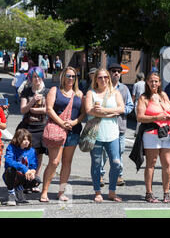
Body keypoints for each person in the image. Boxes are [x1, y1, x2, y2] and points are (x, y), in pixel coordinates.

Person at [39, 67, 85, 203]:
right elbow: (49, 109)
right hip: (57, 131)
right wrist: (62, 123)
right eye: (68, 76)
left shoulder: (79, 94)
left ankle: (61, 192)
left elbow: (83, 113)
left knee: (67, 163)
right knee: (54, 162)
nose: (71, 79)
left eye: (73, 76)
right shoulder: (55, 90)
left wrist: (74, 122)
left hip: (73, 131)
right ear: (63, 77)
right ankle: (44, 191)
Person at [85, 68, 124, 203]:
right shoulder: (91, 93)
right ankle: (97, 191)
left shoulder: (115, 92)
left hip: (112, 134)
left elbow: (122, 109)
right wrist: (111, 113)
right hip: (96, 134)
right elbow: (89, 111)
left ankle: (112, 192)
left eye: (105, 77)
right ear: (95, 79)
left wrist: (104, 111)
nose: (103, 80)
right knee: (96, 164)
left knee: (116, 163)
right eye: (100, 77)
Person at [136, 71, 170, 203]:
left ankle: (166, 192)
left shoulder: (163, 95)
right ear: (147, 82)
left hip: (166, 132)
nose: (154, 83)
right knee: (151, 164)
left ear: (159, 83)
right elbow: (140, 117)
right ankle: (149, 193)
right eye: (151, 81)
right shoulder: (144, 98)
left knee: (167, 163)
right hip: (151, 133)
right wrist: (156, 117)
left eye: (156, 81)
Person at [100, 64, 134, 187]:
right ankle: (100, 175)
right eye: (114, 71)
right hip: (105, 126)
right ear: (109, 73)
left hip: (120, 127)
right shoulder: (103, 88)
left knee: (119, 153)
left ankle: (119, 175)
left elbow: (130, 106)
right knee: (103, 153)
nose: (117, 73)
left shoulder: (124, 89)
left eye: (119, 71)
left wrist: (119, 111)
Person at [19, 66, 49, 193]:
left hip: (41, 127)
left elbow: (49, 109)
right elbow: (23, 109)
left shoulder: (46, 91)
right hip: (28, 126)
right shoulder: (26, 90)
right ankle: (26, 180)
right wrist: (31, 103)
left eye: (38, 76)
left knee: (39, 155)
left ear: (42, 77)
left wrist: (36, 110)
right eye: (34, 77)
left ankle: (35, 180)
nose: (36, 79)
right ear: (30, 78)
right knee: (26, 154)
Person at [3, 128, 41, 206]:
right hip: (13, 175)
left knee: (37, 181)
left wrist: (33, 170)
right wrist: (24, 168)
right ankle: (11, 194)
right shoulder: (11, 147)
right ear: (18, 139)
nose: (27, 141)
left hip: (24, 175)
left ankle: (19, 189)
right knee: (10, 170)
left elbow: (34, 164)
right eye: (24, 140)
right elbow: (8, 161)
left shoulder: (31, 150)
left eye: (28, 139)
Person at [132, 72, 145, 136]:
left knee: (139, 118)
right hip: (145, 102)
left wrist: (132, 103)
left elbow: (133, 95)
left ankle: (137, 132)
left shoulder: (136, 84)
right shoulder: (146, 84)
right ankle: (139, 131)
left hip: (138, 102)